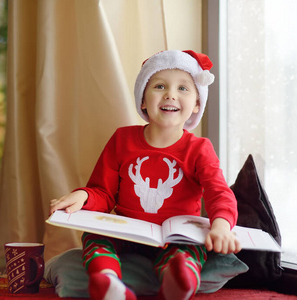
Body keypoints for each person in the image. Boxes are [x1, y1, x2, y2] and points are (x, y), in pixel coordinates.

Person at [49, 50, 241, 300]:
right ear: (142, 100)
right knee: (95, 236)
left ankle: (178, 281)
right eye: (160, 86)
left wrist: (221, 226)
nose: (171, 94)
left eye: (183, 88)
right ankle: (107, 282)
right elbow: (103, 193)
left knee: (189, 251)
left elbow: (219, 194)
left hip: (174, 238)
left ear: (196, 104)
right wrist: (83, 196)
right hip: (126, 234)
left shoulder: (200, 149)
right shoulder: (121, 140)